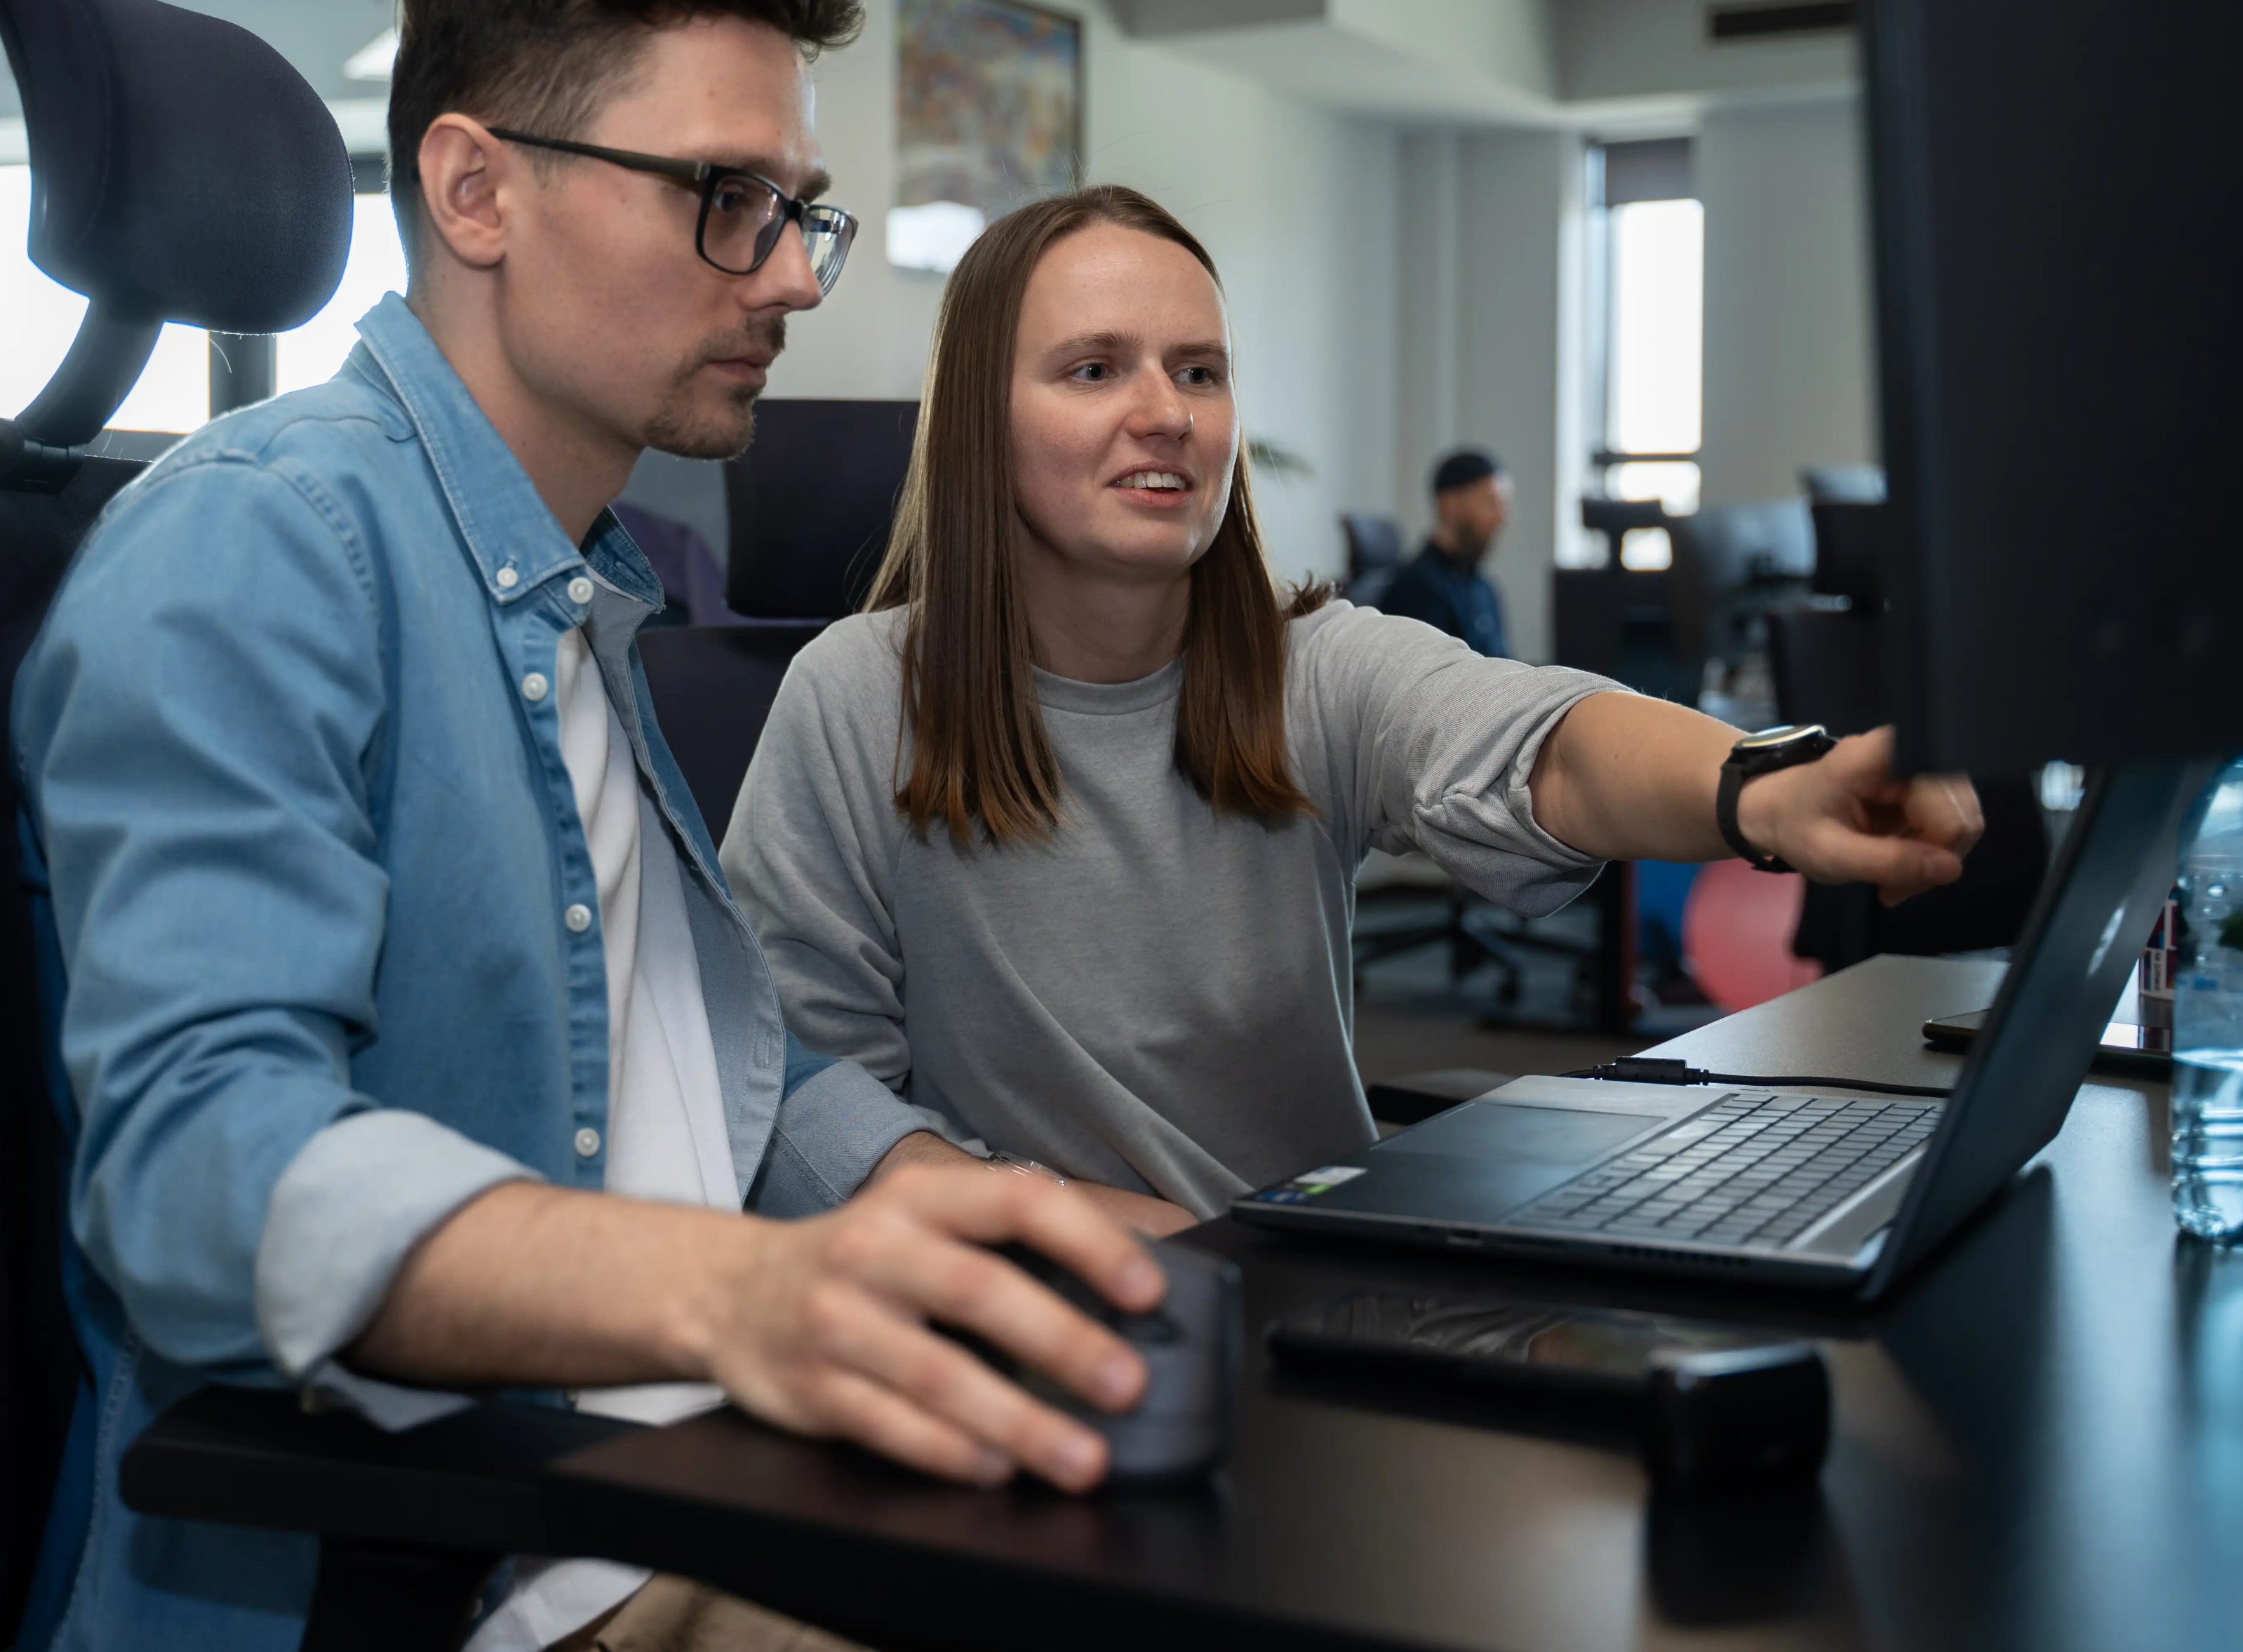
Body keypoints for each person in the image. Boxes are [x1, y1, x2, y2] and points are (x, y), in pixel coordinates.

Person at [11, 0, 1165, 1652]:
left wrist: (980, 1202)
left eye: (798, 213)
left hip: (673, 1473)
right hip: (507, 1579)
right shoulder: (259, 548)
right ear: (477, 189)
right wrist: (739, 1293)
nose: (789, 273)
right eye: (727, 202)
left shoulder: (578, 585)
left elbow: (682, 1071)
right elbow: (194, 1174)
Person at [722, 187, 1981, 1228]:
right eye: (1094, 368)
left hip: (1307, 1298)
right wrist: (1093, 1228)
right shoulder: (853, 698)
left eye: (1199, 370)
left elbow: (1538, 739)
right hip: (1020, 1335)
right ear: (981, 429)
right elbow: (801, 1101)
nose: (1165, 410)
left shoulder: (1302, 664)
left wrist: (1763, 783)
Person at [1374, 449, 1511, 655]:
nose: (1501, 517)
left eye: (1504, 504)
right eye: (1490, 502)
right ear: (1451, 504)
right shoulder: (1417, 590)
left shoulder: (1485, 590)